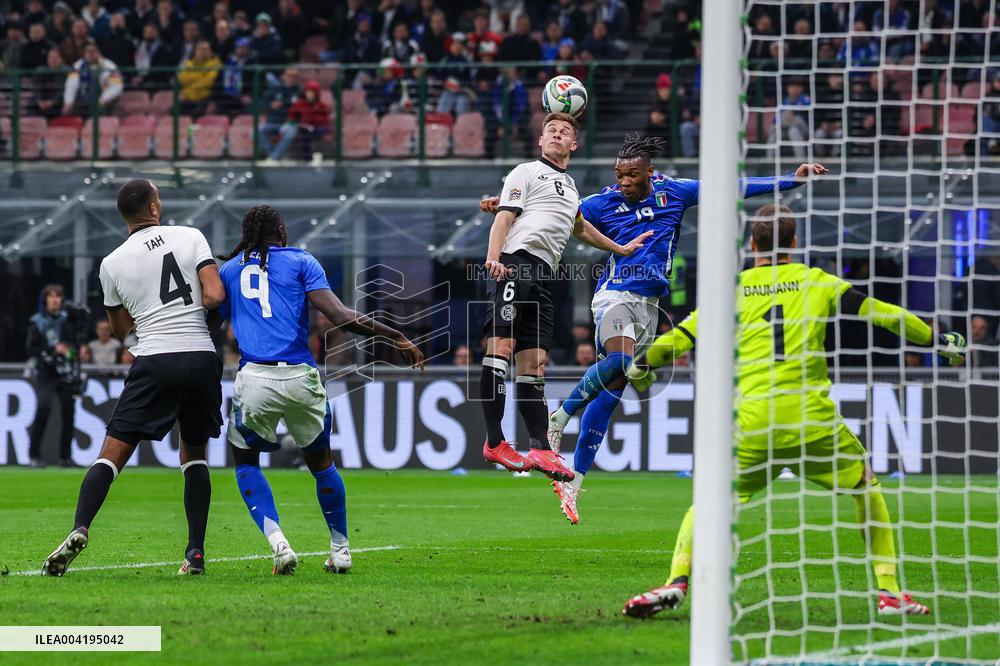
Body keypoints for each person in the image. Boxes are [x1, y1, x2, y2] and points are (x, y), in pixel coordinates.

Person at [621, 204, 966, 618]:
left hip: (750, 423)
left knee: (708, 499)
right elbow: (885, 315)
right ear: (795, 243)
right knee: (865, 485)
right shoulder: (816, 281)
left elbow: (681, 339)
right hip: (810, 420)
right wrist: (937, 341)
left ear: (752, 245)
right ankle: (889, 592)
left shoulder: (730, 290)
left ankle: (676, 580)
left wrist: (640, 366)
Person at [541, 135, 827, 525]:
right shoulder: (601, 203)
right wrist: (505, 207)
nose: (624, 182)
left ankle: (574, 480)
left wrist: (790, 181)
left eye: (632, 175)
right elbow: (552, 210)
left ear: (649, 173)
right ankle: (560, 416)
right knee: (622, 359)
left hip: (649, 306)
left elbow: (732, 189)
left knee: (609, 395)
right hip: (615, 294)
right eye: (619, 175)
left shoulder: (674, 193)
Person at [217, 205, 424, 575]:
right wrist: (396, 336)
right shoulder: (301, 261)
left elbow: (209, 319)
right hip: (300, 375)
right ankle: (341, 549)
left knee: (246, 462)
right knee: (322, 464)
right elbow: (342, 317)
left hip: (254, 379)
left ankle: (279, 544)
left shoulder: (229, 270)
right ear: (281, 230)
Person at [42, 179, 226, 578]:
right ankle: (195, 553)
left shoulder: (111, 263)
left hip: (155, 359)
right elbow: (213, 296)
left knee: (112, 453)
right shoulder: (191, 236)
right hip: (200, 355)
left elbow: (123, 329)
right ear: (155, 208)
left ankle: (80, 527)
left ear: (124, 217)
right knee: (193, 455)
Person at [476, 112, 652, 482]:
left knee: (534, 363)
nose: (557, 135)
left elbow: (580, 228)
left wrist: (620, 249)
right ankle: (495, 441)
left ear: (574, 145)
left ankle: (540, 448)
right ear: (541, 141)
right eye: (551, 131)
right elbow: (504, 218)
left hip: (544, 276)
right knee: (500, 350)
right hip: (514, 265)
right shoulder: (525, 171)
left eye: (564, 132)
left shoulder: (571, 187)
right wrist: (493, 259)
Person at [25, 284, 81, 468]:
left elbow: (75, 345)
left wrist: (69, 352)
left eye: (58, 296)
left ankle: (65, 457)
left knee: (69, 412)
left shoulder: (67, 320)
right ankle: (34, 456)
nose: (55, 299)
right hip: (46, 372)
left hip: (65, 371)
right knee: (43, 410)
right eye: (51, 296)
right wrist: (52, 350)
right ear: (46, 300)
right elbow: (31, 348)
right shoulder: (37, 321)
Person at [267, 79, 330, 161]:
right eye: (308, 92)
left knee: (319, 132)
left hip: (318, 128)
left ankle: (317, 156)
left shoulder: (321, 105)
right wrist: (295, 122)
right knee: (304, 137)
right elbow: (291, 116)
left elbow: (325, 120)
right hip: (303, 128)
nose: (310, 95)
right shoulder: (299, 104)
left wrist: (327, 131)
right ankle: (307, 160)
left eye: (312, 93)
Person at [62, 39, 123, 117]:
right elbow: (71, 85)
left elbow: (116, 86)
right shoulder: (77, 66)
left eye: (93, 51)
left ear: (98, 52)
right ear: (84, 53)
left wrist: (103, 99)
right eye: (87, 51)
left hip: (103, 102)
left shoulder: (109, 66)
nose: (90, 54)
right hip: (82, 101)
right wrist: (68, 102)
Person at [177, 40, 221, 117]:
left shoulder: (215, 64)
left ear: (210, 51)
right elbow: (182, 78)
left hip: (204, 98)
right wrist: (201, 75)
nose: (202, 52)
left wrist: (190, 84)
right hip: (188, 97)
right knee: (173, 111)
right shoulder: (189, 63)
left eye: (205, 49)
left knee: (196, 114)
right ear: (195, 51)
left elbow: (208, 82)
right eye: (199, 49)